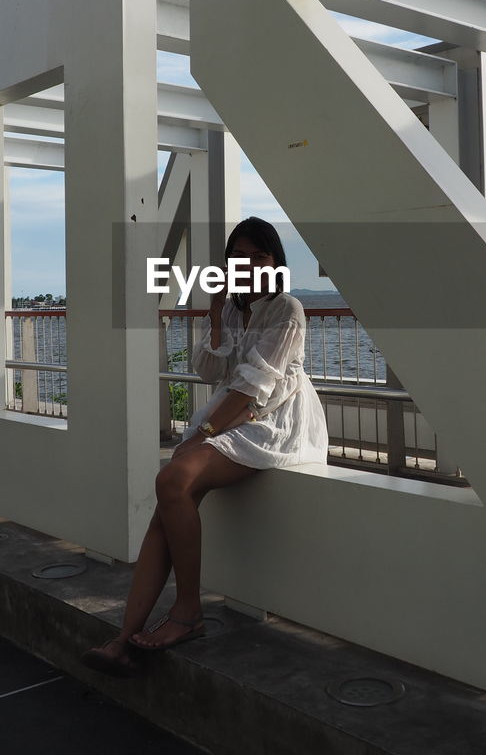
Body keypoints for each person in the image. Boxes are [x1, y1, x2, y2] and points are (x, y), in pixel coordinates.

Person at [81, 217, 328, 675]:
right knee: (171, 494)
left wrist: (204, 434)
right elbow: (211, 373)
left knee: (173, 477)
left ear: (276, 263)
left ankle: (188, 612)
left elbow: (253, 388)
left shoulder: (287, 309)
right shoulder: (235, 310)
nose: (250, 265)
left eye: (260, 256)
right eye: (240, 258)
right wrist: (216, 315)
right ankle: (122, 638)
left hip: (275, 418)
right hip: (236, 413)